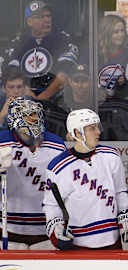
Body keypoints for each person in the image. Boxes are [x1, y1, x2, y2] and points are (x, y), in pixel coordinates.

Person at [42, 109, 128, 250]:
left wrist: (126, 215)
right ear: (77, 133)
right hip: (79, 244)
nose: (98, 132)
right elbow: (51, 204)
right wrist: (55, 228)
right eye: (91, 128)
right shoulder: (58, 167)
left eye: (97, 127)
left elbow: (120, 191)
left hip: (112, 241)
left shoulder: (111, 156)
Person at [0, 97, 65, 249]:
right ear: (16, 119)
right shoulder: (2, 142)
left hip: (46, 227)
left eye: (37, 114)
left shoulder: (56, 144)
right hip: (8, 227)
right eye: (29, 115)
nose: (35, 119)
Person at [5, 0, 79, 102]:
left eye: (48, 16)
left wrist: (42, 98)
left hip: (56, 98)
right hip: (24, 95)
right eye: (40, 17)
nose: (46, 20)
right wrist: (27, 94)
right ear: (29, 22)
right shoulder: (19, 42)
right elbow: (11, 75)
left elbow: (64, 76)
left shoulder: (63, 39)